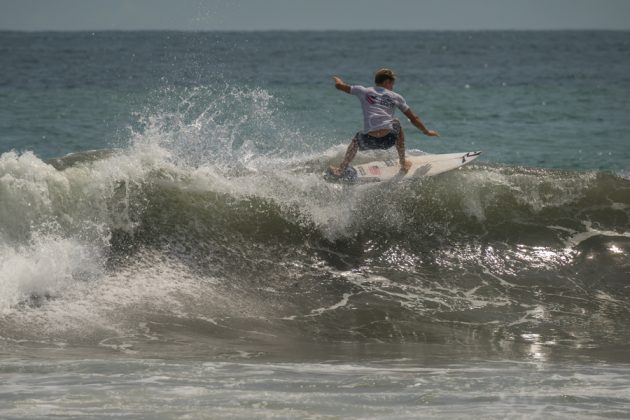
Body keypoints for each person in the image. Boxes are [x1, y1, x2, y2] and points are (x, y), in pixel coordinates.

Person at [329, 68, 439, 177]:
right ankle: (403, 163)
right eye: (392, 84)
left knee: (356, 139)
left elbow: (339, 86)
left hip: (368, 140)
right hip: (388, 139)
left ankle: (341, 169)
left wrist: (337, 80)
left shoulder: (364, 91)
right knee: (396, 122)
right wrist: (426, 132)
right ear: (387, 82)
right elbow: (414, 118)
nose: (392, 87)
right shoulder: (396, 97)